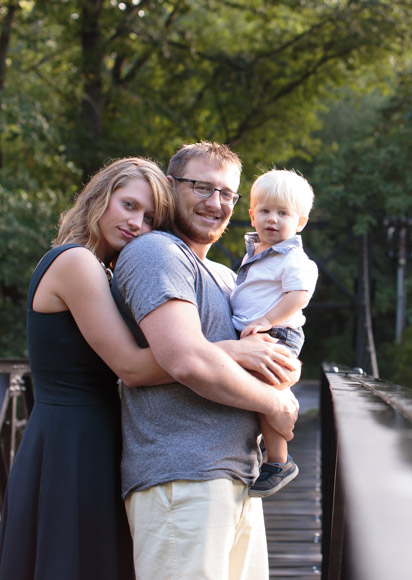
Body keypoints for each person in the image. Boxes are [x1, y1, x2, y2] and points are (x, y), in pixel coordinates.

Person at [110, 141, 301, 580]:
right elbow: (186, 362)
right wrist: (276, 404)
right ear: (170, 186)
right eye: (201, 187)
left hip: (239, 479)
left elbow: (265, 354)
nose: (216, 203)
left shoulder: (228, 276)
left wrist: (282, 366)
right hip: (183, 480)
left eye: (228, 194)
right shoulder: (155, 251)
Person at [0, 157, 177, 580]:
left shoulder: (100, 268)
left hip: (87, 435)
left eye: (150, 218)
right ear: (101, 197)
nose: (137, 223)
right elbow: (131, 367)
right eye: (129, 205)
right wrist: (219, 354)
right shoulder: (76, 262)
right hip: (71, 443)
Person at [231, 169, 318, 498]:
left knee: (267, 393)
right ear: (252, 215)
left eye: (283, 213)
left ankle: (279, 461)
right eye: (265, 211)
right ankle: (259, 445)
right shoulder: (257, 253)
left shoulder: (293, 257)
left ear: (300, 222)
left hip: (279, 331)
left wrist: (267, 319)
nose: (272, 219)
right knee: (250, 390)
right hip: (261, 331)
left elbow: (299, 295)